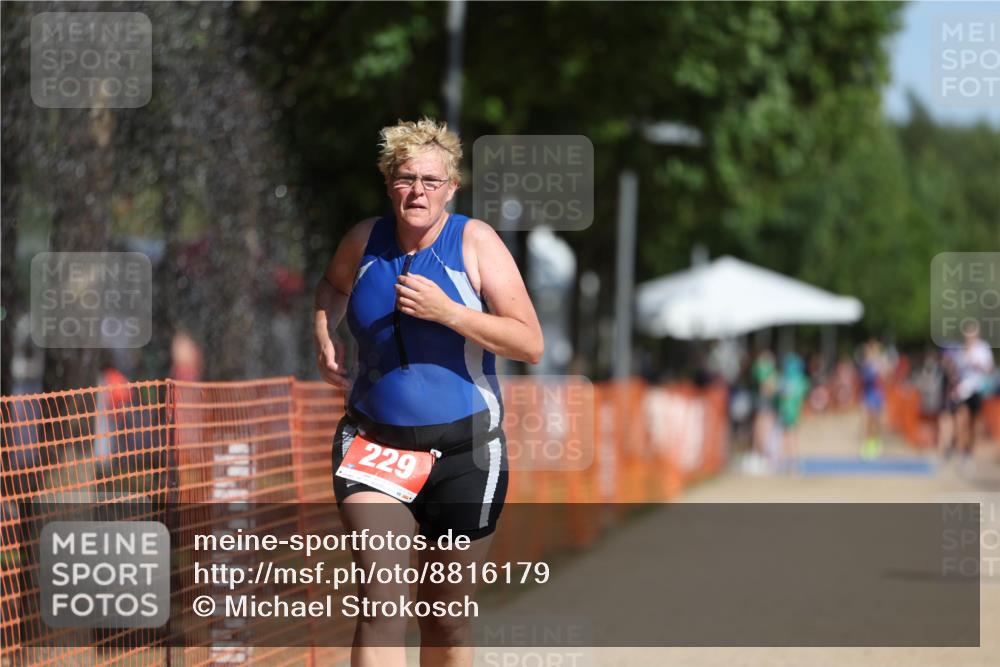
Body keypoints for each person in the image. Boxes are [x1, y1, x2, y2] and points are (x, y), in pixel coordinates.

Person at [313, 117, 543, 667]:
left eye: (431, 181)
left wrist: (451, 312)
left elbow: (530, 342)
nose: (417, 191)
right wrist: (324, 334)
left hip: (466, 451)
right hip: (375, 444)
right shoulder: (365, 240)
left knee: (445, 621)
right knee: (383, 606)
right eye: (405, 178)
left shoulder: (476, 242)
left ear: (452, 188)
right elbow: (331, 285)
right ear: (388, 182)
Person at [948, 321, 995, 465]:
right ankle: (959, 448)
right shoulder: (960, 350)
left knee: (973, 423)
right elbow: (954, 370)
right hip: (962, 390)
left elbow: (989, 369)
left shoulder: (983, 349)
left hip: (976, 389)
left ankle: (968, 451)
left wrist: (979, 366)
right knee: (961, 419)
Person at [859, 339, 888, 460]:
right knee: (868, 421)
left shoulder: (880, 363)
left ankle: (877, 444)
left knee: (877, 421)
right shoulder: (866, 363)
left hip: (877, 394)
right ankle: (868, 445)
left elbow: (885, 377)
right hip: (869, 394)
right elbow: (865, 378)